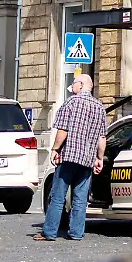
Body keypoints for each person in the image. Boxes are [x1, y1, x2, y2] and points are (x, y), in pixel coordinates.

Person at [33, 73, 107, 243]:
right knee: (80, 199)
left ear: (81, 85)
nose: (71, 87)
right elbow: (102, 137)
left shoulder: (70, 103)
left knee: (58, 196)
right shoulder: (99, 107)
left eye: (73, 83)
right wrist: (99, 158)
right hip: (87, 160)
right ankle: (76, 233)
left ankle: (49, 232)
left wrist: (55, 149)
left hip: (68, 158)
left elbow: (62, 131)